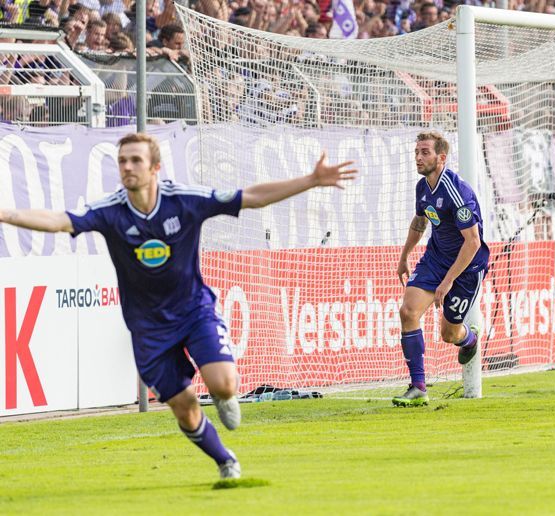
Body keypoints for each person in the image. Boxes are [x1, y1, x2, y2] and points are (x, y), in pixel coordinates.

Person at [0, 133, 357, 479]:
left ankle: (223, 395)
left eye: (136, 160)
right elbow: (60, 221)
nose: (127, 167)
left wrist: (311, 180)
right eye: (122, 160)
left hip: (193, 312)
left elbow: (251, 197)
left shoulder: (184, 199)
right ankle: (225, 460)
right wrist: (6, 215)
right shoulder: (109, 211)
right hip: (148, 329)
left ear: (155, 167)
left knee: (224, 384)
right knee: (185, 409)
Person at [393, 131, 489, 407]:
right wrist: (404, 256)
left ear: (441, 157)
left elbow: (472, 242)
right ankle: (418, 387)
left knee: (449, 334)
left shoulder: (456, 191)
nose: (419, 158)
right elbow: (421, 221)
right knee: (408, 312)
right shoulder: (422, 188)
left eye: (425, 152)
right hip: (435, 258)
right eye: (416, 152)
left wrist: (447, 283)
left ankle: (468, 339)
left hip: (467, 267)